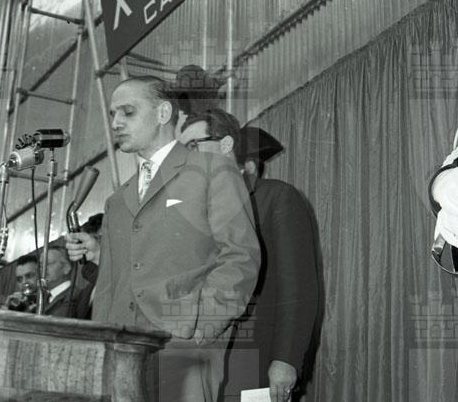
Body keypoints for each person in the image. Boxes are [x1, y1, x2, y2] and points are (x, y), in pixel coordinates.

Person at [66, 75, 260, 402]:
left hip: (185, 348)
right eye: (112, 114)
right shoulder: (117, 201)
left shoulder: (213, 170)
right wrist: (103, 347)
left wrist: (201, 327)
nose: (115, 123)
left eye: (128, 112)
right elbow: (110, 284)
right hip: (121, 355)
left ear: (163, 113)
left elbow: (241, 257)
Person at [179, 110, 320, 402]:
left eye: (194, 145)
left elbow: (298, 288)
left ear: (227, 146)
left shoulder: (276, 198)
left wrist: (286, 359)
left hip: (255, 353)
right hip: (202, 356)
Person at [5, 244, 91, 318]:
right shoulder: (43, 299)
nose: (42, 270)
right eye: (41, 266)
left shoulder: (76, 297)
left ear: (66, 268)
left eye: (48, 263)